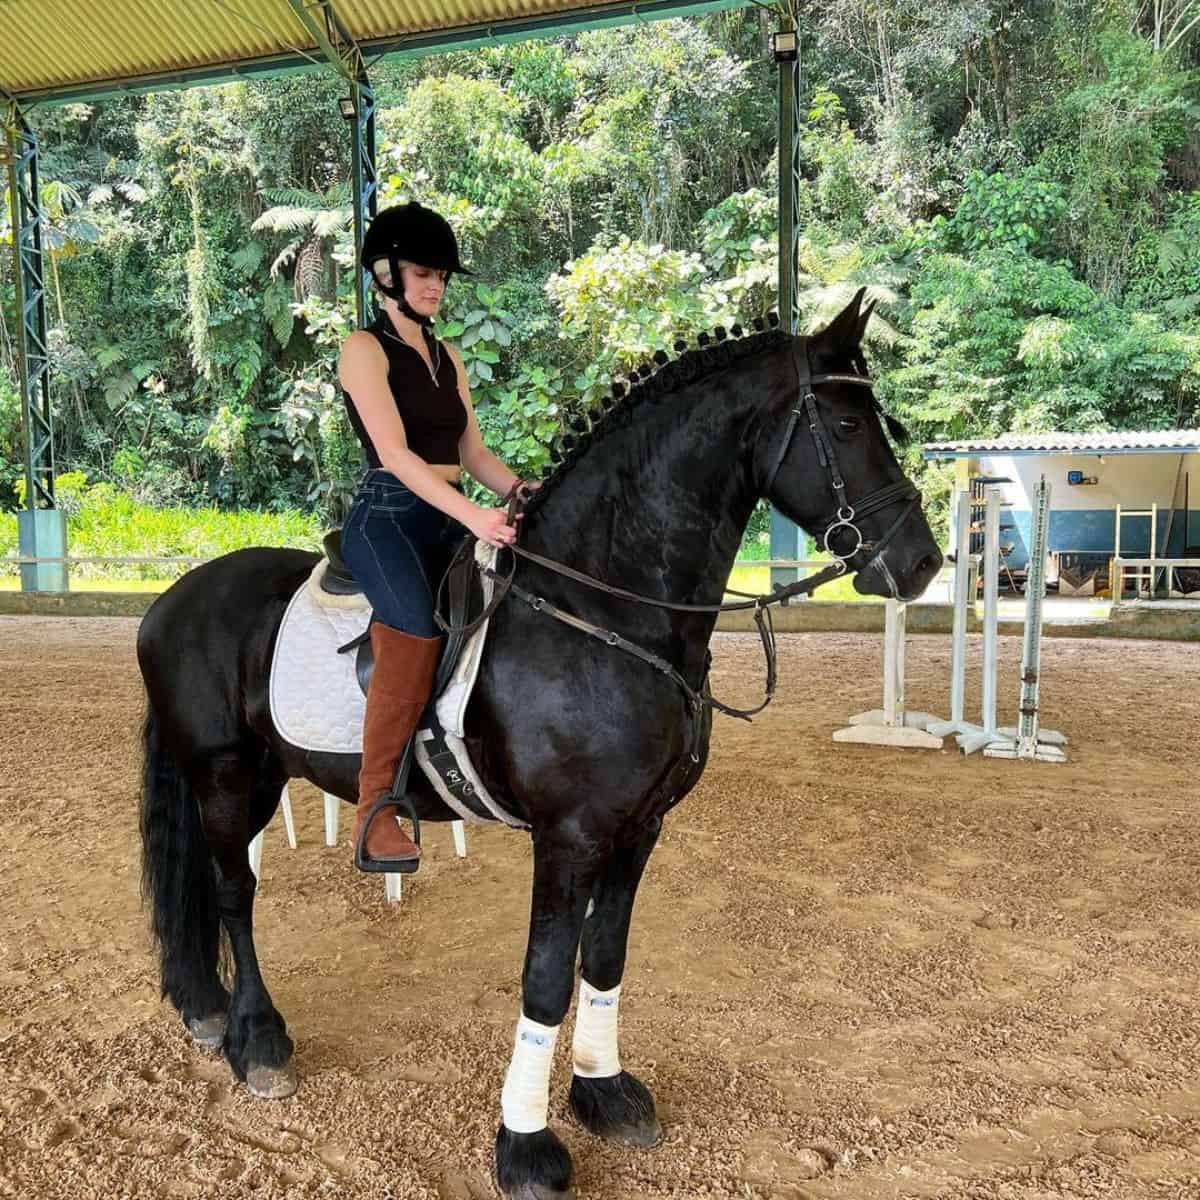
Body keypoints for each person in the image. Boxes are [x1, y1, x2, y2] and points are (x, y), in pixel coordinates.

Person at [337, 200, 535, 872]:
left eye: (442, 277)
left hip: (446, 511)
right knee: (417, 626)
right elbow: (394, 455)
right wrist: (474, 516)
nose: (435, 286)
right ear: (386, 274)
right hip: (388, 517)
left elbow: (474, 454)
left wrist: (517, 492)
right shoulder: (363, 350)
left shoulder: (448, 355)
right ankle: (375, 806)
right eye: (423, 272)